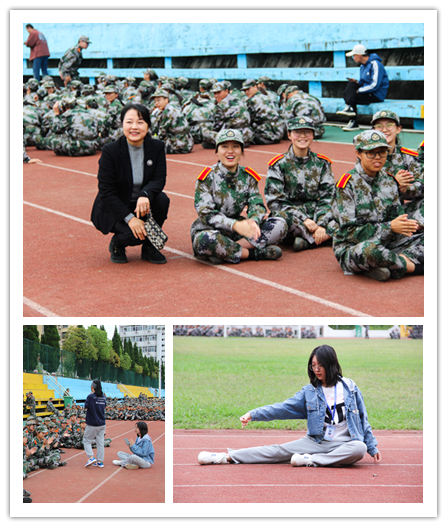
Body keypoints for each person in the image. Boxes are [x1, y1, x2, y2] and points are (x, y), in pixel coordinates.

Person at [198, 345, 381, 468]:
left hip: (346, 444)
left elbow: (363, 419)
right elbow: (283, 408)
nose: (316, 370)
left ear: (331, 365)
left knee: (359, 448)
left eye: (320, 365)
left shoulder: (350, 387)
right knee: (278, 451)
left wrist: (372, 447)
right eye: (313, 365)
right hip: (317, 442)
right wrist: (253, 414)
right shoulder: (310, 392)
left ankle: (310, 460)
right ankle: (225, 457)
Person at [331, 130, 424, 281]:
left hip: (390, 243)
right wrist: (390, 227)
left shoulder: (389, 181)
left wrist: (409, 226)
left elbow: (398, 218)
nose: (377, 157)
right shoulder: (346, 185)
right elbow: (348, 232)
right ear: (358, 153)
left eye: (382, 152)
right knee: (370, 252)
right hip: (355, 246)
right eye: (371, 153)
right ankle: (412, 267)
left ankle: (387, 265)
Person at [191, 128, 287, 264]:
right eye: (224, 146)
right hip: (212, 230)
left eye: (235, 146)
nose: (230, 151)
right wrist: (234, 225)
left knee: (280, 224)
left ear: (242, 151)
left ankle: (226, 251)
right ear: (217, 151)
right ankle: (255, 254)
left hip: (239, 232)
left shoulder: (248, 176)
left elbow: (256, 204)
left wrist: (253, 221)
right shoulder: (207, 177)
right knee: (205, 240)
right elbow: (206, 214)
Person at [91, 103, 170, 265]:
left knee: (162, 200)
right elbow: (106, 191)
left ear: (148, 126)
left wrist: (145, 194)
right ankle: (117, 244)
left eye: (140, 122)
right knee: (134, 235)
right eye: (129, 122)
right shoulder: (111, 151)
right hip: (115, 207)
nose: (134, 127)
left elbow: (159, 179)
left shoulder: (156, 147)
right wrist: (129, 219)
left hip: (140, 205)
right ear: (122, 124)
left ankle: (149, 247)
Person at [264, 116, 335, 252]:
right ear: (289, 135)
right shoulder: (278, 164)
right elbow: (275, 201)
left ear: (313, 135)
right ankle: (323, 237)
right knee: (279, 221)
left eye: (307, 132)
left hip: (316, 213)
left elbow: (329, 197)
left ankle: (307, 240)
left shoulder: (322, 163)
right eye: (297, 132)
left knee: (345, 215)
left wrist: (321, 223)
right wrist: (304, 219)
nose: (303, 136)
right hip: (291, 215)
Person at [370, 110, 424, 225]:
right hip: (372, 212)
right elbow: (363, 190)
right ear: (373, 130)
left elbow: (421, 185)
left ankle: (409, 227)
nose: (384, 130)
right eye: (379, 126)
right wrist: (394, 183)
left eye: (389, 125)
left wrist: (406, 188)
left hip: (397, 211)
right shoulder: (368, 156)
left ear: (398, 129)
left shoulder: (407, 157)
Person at [337, 44, 389, 131]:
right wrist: (357, 82)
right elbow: (363, 81)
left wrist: (359, 90)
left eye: (354, 56)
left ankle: (352, 118)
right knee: (350, 87)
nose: (353, 58)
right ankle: (350, 109)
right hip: (366, 92)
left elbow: (375, 84)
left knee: (350, 95)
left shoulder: (375, 64)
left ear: (359, 55)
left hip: (376, 94)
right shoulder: (362, 66)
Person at [241, 78, 284, 144]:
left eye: (248, 89)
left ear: (255, 87)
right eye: (244, 90)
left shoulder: (252, 101)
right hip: (279, 132)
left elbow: (248, 120)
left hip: (266, 135)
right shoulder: (267, 97)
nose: (246, 92)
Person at [83, 379, 107, 468]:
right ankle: (100, 461)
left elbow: (86, 406)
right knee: (100, 443)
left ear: (92, 387)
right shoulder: (103, 397)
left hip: (93, 423)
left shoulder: (90, 397)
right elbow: (104, 406)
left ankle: (91, 457)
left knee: (86, 441)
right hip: (102, 423)